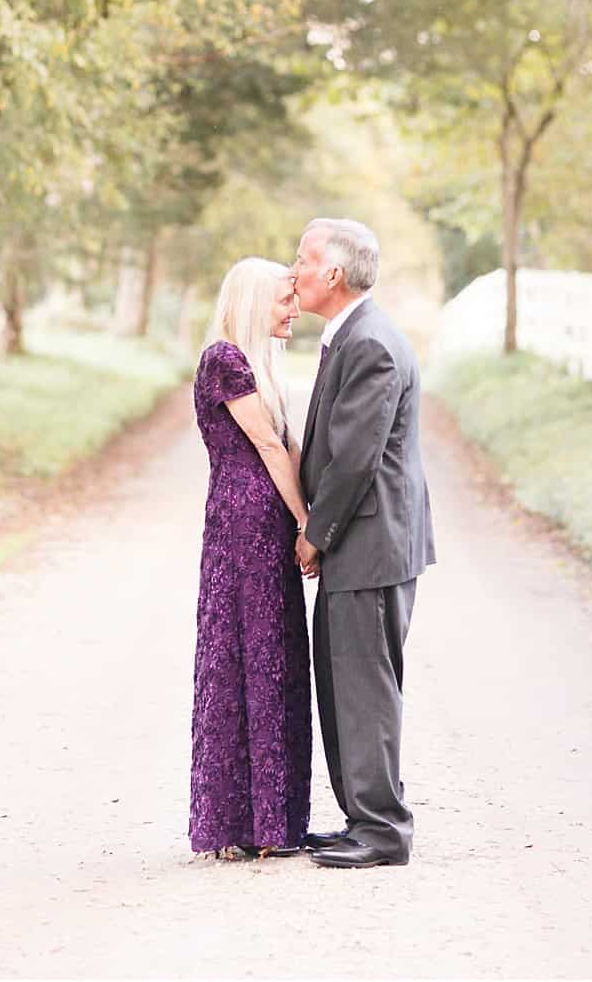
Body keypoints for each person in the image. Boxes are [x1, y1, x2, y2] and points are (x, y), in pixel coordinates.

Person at [291, 218, 435, 869]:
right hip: (365, 545)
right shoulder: (350, 336)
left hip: (370, 546)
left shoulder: (371, 343)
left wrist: (315, 536)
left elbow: (354, 459)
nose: (293, 270)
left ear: (334, 274)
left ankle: (382, 829)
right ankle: (361, 817)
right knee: (345, 682)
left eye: (303, 258)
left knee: (366, 688)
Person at [189, 257, 313, 859]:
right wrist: (309, 522)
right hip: (245, 524)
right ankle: (242, 820)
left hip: (264, 520)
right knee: (245, 654)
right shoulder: (225, 359)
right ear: (255, 301)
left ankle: (274, 821)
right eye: (285, 299)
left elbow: (288, 441)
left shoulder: (260, 366)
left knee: (275, 655)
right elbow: (266, 444)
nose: (294, 309)